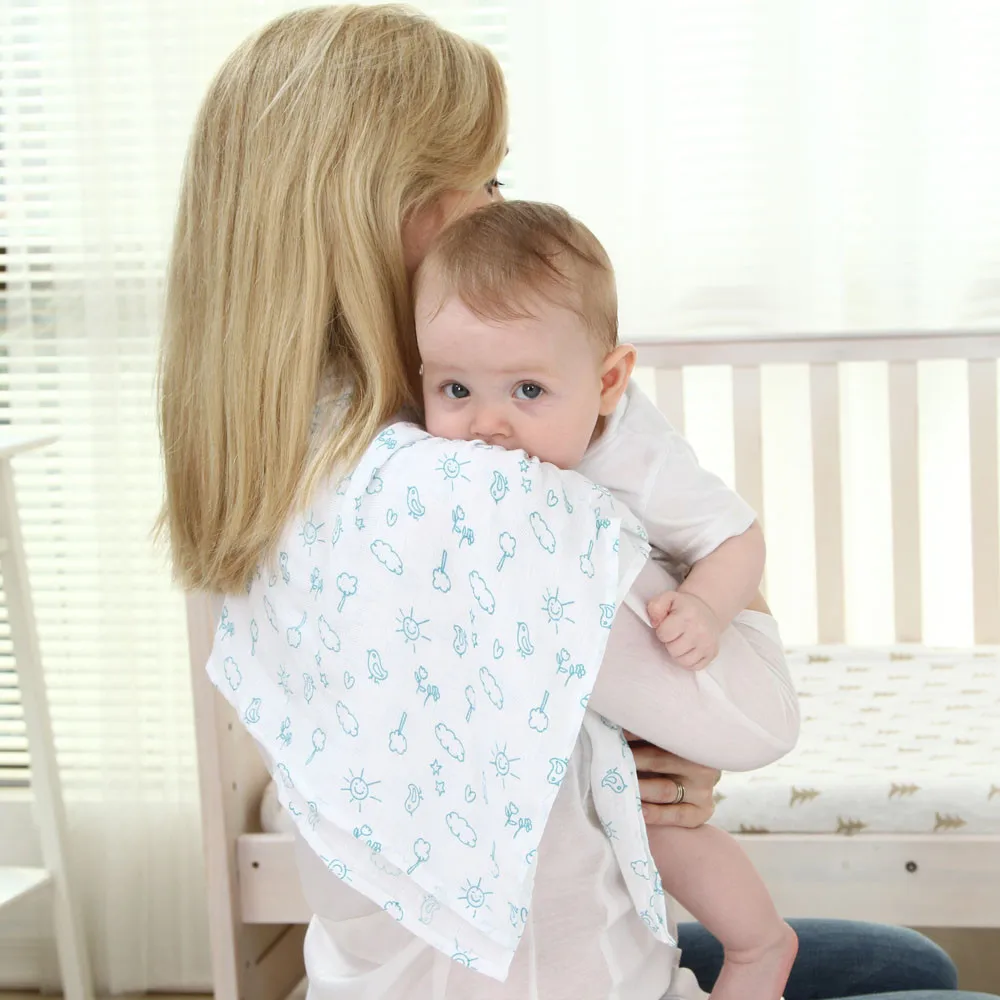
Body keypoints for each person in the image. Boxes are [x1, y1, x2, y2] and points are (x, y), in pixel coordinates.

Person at [156, 6, 990, 1000]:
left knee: (904, 964)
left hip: (382, 979)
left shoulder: (266, 468)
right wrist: (616, 434)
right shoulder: (479, 492)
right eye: (488, 184)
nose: (502, 218)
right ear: (392, 211)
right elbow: (758, 718)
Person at [413, 198, 796, 1000]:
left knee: (668, 829)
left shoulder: (635, 454)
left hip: (670, 659)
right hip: (586, 715)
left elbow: (736, 537)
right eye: (454, 389)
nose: (487, 424)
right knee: (638, 816)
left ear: (608, 381)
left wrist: (706, 608)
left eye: (527, 389)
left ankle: (760, 947)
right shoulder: (443, 468)